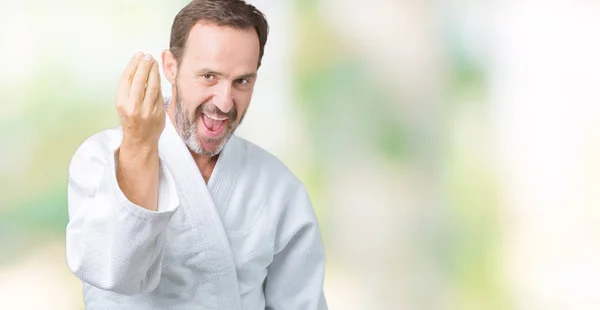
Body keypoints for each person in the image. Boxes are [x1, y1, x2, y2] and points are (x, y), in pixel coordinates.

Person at [65, 1, 327, 309]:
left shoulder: (278, 186)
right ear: (171, 66)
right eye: (209, 77)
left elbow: (302, 303)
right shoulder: (100, 159)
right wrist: (139, 143)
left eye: (242, 81)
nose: (225, 103)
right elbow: (115, 274)